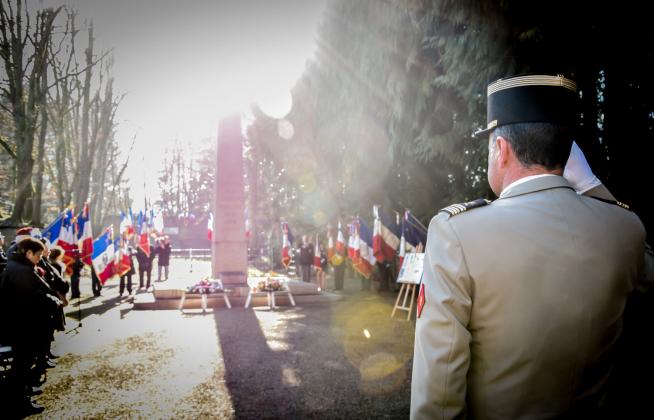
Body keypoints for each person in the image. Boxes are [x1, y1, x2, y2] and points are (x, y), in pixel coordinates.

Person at [411, 74, 654, 419]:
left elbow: (437, 397)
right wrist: (593, 187)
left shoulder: (457, 235)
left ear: (501, 149)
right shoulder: (625, 229)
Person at [0, 237, 61, 416]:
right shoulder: (21, 270)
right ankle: (19, 401)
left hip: (21, 324)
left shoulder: (18, 267)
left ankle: (22, 394)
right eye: (38, 255)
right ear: (28, 253)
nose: (39, 259)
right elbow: (33, 295)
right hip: (21, 326)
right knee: (22, 365)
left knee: (23, 364)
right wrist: (54, 301)